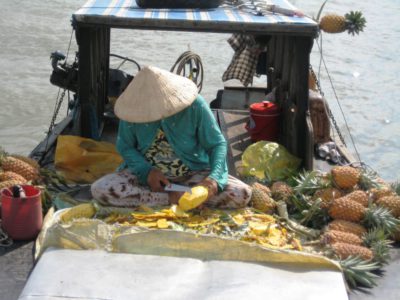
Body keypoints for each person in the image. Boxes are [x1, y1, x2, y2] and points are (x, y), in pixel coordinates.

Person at [91, 66, 252, 208]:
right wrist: (147, 172)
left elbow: (217, 144)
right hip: (148, 179)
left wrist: (212, 181)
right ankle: (170, 199)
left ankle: (183, 198)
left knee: (241, 194)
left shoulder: (195, 105)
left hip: (192, 174)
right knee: (100, 189)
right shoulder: (134, 111)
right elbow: (125, 146)